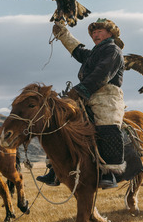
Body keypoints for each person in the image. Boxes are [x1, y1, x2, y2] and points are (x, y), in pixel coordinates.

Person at [36, 18, 126, 189]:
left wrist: (78, 90)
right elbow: (77, 49)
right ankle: (55, 169)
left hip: (106, 95)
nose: (95, 34)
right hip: (85, 94)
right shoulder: (94, 52)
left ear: (110, 33)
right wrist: (62, 32)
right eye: (93, 32)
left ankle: (109, 172)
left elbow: (101, 74)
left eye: (99, 31)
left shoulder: (113, 50)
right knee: (60, 122)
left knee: (106, 124)